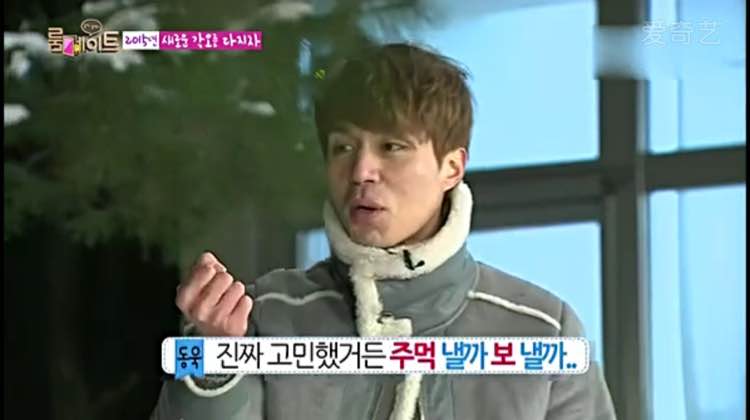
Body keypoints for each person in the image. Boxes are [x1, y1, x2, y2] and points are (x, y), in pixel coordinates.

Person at [151, 42, 616, 420]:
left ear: (452, 167)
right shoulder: (265, 317)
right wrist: (216, 364)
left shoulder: (543, 332)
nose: (361, 172)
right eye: (343, 148)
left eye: (392, 147)